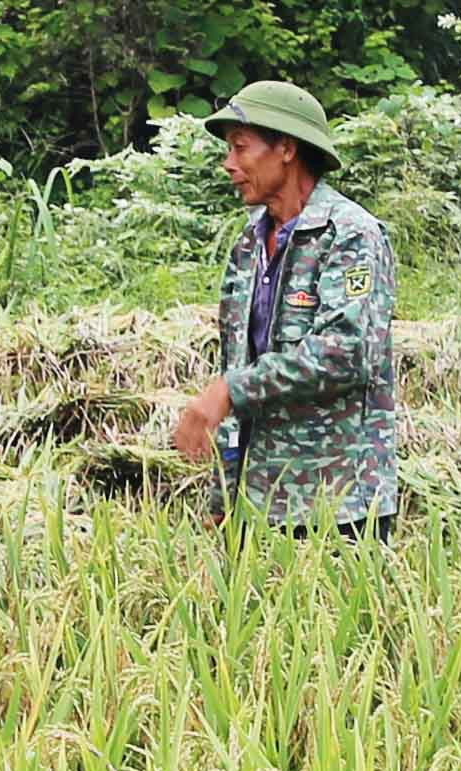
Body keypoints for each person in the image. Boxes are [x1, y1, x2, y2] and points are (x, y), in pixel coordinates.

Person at [165, 81, 396, 536]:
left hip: (339, 507)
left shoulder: (350, 236)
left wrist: (229, 390)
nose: (228, 164)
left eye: (240, 148)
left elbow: (345, 353)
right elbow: (238, 363)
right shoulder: (249, 244)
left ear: (286, 149)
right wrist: (223, 494)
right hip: (257, 507)